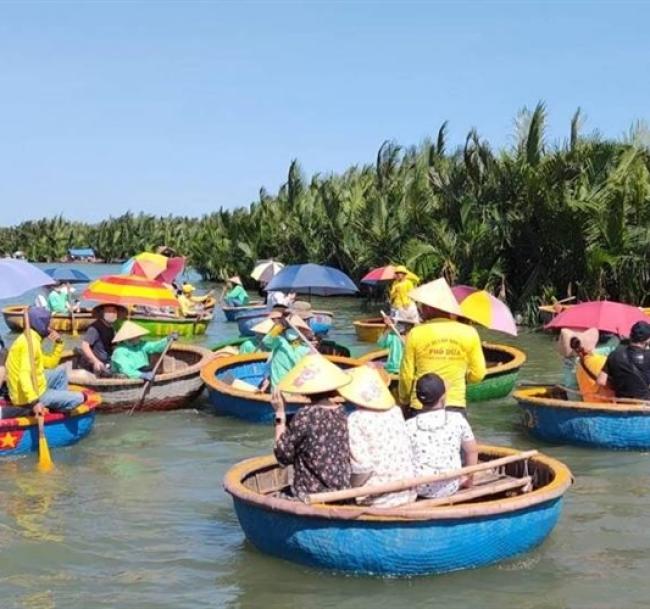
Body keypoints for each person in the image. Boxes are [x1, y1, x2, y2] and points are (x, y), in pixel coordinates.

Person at [399, 278, 486, 416]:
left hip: (421, 404)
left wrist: (404, 400)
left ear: (430, 307)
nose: (421, 309)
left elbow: (406, 375)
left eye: (422, 305)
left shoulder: (416, 333)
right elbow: (478, 374)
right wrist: (460, 377)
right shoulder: (470, 332)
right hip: (454, 404)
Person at [271, 353, 352, 498]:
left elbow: (282, 456)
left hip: (311, 494)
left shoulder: (306, 415)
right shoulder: (341, 412)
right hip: (341, 490)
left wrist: (280, 415)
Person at [342, 365, 415, 507]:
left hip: (377, 498)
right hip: (407, 491)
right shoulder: (396, 411)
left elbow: (363, 469)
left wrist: (349, 489)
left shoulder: (356, 419)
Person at [407, 372, 478, 498]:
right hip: (450, 486)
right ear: (443, 396)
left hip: (420, 488)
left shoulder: (409, 425)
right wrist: (468, 479)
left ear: (418, 398)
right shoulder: (457, 419)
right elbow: (472, 451)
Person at [5, 307, 84, 416]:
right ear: (40, 324)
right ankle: (51, 408)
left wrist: (59, 344)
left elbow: (50, 364)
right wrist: (34, 402)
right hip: (28, 396)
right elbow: (24, 375)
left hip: (36, 383)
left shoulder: (32, 338)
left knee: (61, 372)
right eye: (48, 324)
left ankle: (55, 403)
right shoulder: (30, 343)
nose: (50, 328)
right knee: (80, 398)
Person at [597, 321, 650, 400]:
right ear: (647, 340)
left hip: (622, 404)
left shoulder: (614, 354)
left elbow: (601, 381)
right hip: (644, 406)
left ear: (630, 335)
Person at [110, 321, 177, 380]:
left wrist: (167, 340)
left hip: (142, 371)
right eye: (136, 336)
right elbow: (126, 370)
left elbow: (154, 346)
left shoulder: (141, 344)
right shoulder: (119, 351)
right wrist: (141, 375)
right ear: (128, 338)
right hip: (126, 377)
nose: (139, 337)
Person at [261, 313, 312, 389]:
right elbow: (267, 341)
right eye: (290, 328)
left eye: (297, 329)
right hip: (278, 389)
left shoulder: (306, 349)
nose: (292, 331)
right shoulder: (280, 342)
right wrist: (279, 327)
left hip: (296, 390)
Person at [74, 304, 126, 375]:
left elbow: (113, 346)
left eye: (114, 311)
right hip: (97, 363)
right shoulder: (95, 328)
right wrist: (95, 361)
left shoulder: (111, 328)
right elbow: (85, 346)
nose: (112, 313)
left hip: (108, 361)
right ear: (102, 312)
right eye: (108, 311)